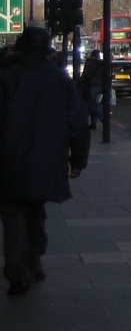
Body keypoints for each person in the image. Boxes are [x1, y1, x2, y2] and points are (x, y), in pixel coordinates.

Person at [0, 27, 90, 296]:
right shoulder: (60, 79)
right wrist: (78, 159)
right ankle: (34, 261)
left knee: (14, 213)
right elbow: (78, 122)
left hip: (10, 157)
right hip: (47, 157)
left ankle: (18, 273)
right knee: (35, 209)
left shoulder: (7, 77)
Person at [80, 50, 104, 130]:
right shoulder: (101, 63)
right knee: (94, 104)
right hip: (100, 86)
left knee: (91, 104)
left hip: (91, 85)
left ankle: (100, 116)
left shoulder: (89, 63)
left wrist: (80, 82)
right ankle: (94, 122)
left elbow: (85, 75)